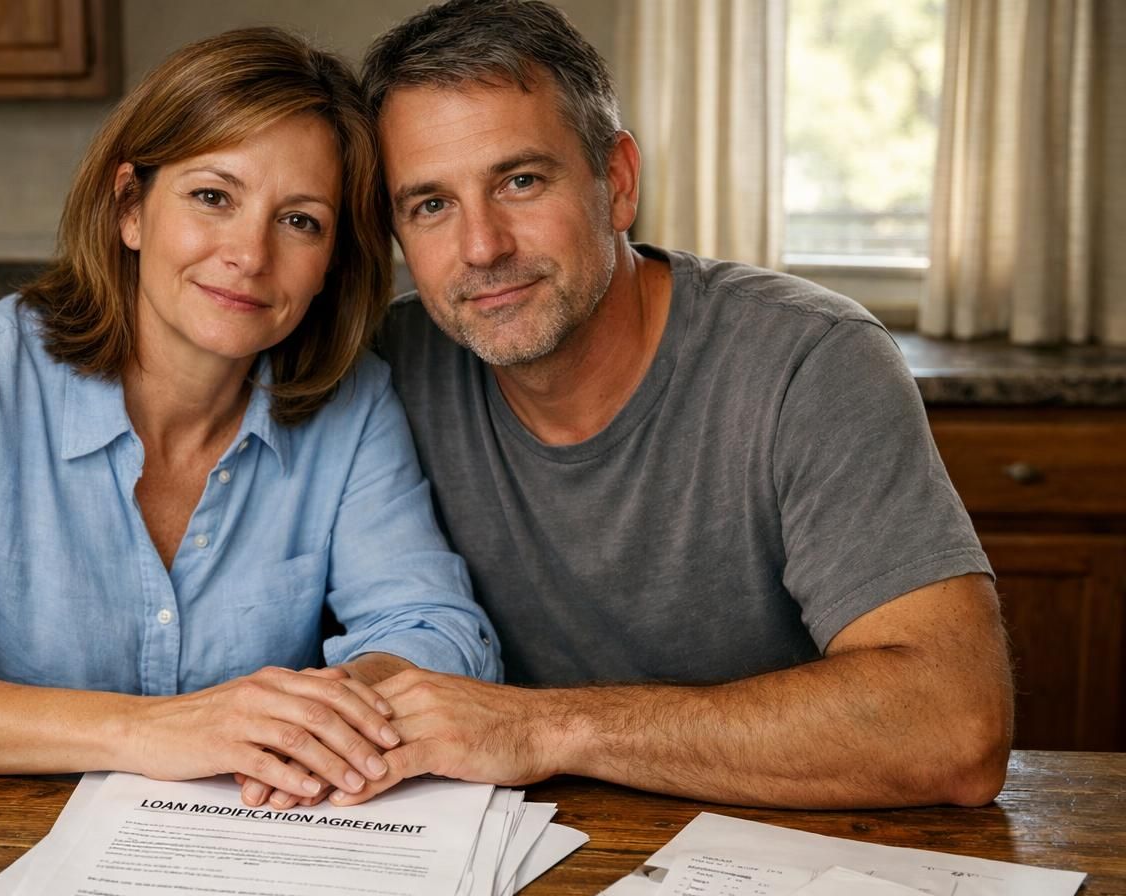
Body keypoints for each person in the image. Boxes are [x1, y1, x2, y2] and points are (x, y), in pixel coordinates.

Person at [240, 0, 1011, 813]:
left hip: (786, 866)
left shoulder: (808, 359)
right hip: (494, 866)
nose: (482, 247)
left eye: (521, 181)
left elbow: (955, 727)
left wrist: (546, 729)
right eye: (431, 205)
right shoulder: (383, 371)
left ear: (617, 181)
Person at [0, 27, 499, 806]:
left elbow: (437, 633)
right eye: (213, 197)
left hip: (244, 854)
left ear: (334, 259)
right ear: (131, 207)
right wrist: (146, 731)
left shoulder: (353, 401)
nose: (249, 254)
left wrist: (327, 713)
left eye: (300, 220)